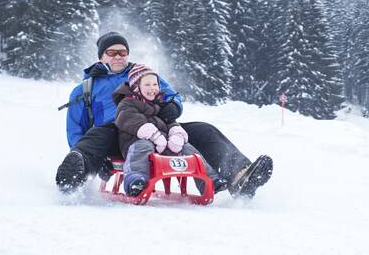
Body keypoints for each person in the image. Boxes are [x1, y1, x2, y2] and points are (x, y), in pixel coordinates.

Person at [56, 31, 272, 198]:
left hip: (160, 127)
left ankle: (239, 176)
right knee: (98, 133)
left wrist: (173, 107)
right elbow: (75, 128)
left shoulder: (142, 75)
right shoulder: (86, 88)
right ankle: (75, 173)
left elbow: (171, 95)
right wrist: (90, 155)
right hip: (117, 135)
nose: (119, 56)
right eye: (112, 52)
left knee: (204, 129)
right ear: (101, 56)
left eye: (123, 52)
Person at [114, 63, 228, 196]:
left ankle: (210, 180)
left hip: (163, 145)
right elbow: (129, 119)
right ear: (136, 87)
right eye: (147, 85)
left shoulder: (159, 103)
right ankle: (135, 180)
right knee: (143, 147)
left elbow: (170, 122)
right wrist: (155, 136)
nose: (152, 88)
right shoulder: (127, 103)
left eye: (155, 84)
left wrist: (176, 135)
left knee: (188, 150)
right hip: (136, 141)